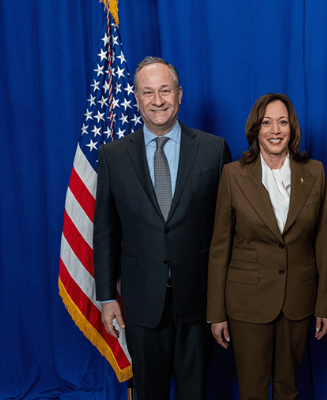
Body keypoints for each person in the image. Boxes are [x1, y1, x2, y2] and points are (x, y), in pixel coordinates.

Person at [93, 56, 231, 400]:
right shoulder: (112, 156)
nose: (158, 100)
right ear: (137, 98)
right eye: (148, 92)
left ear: (180, 94)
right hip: (141, 301)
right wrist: (108, 296)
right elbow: (106, 231)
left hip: (198, 300)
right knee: (150, 392)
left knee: (193, 392)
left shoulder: (214, 150)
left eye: (165, 90)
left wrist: (224, 297)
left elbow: (227, 231)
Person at [207, 93, 327, 400]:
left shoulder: (314, 172)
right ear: (255, 129)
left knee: (288, 387)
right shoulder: (233, 175)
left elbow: (324, 242)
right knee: (252, 390)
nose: (275, 130)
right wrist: (216, 312)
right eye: (267, 122)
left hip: (298, 301)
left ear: (292, 129)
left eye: (282, 122)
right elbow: (220, 247)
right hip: (246, 303)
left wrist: (324, 305)